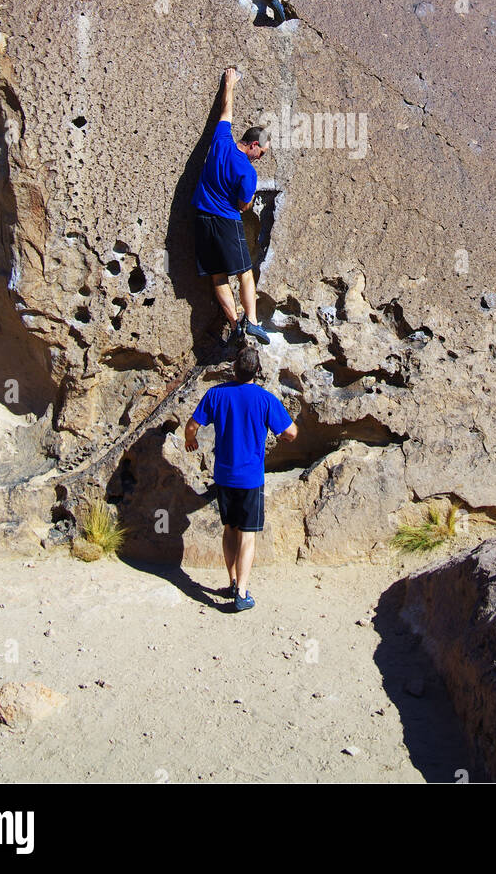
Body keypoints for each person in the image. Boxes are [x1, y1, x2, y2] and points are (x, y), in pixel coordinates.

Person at [185, 345, 298, 611]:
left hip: (224, 475)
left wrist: (191, 440)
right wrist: (280, 435)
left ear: (234, 369)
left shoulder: (216, 395)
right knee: (248, 535)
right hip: (250, 479)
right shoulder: (265, 399)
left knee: (229, 530)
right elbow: (291, 432)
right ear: (257, 371)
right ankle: (242, 593)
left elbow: (191, 426)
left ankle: (233, 582)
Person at [192, 67, 272, 345]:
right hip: (226, 219)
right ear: (252, 145)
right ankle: (251, 322)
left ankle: (234, 323)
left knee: (217, 277)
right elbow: (243, 204)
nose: (260, 157)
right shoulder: (248, 173)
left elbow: (225, 112)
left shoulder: (221, 140)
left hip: (202, 217)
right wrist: (245, 205)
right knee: (245, 273)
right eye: (260, 152)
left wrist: (229, 83)